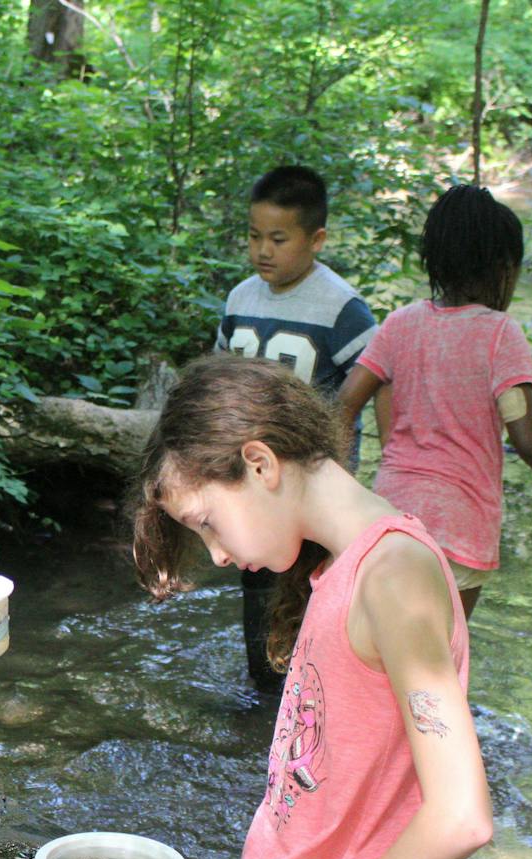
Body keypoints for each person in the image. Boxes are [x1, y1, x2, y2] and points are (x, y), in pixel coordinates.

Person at [132, 355, 493, 859]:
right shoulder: (345, 566)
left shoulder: (393, 577)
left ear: (261, 463)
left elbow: (461, 815)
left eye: (207, 521)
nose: (216, 553)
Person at [339, 184, 532, 620]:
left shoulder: (400, 324)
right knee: (444, 661)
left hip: (387, 516)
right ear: (505, 268)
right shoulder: (500, 335)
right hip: (459, 528)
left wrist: (341, 490)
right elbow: (526, 437)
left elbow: (344, 404)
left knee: (384, 652)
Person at [215, 165, 379, 691]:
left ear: (317, 239)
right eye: (254, 236)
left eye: (279, 239)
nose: (263, 250)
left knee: (307, 597)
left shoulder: (343, 310)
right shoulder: (241, 299)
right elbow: (219, 383)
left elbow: (368, 390)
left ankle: (313, 700)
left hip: (311, 491)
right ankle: (264, 701)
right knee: (257, 595)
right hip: (250, 486)